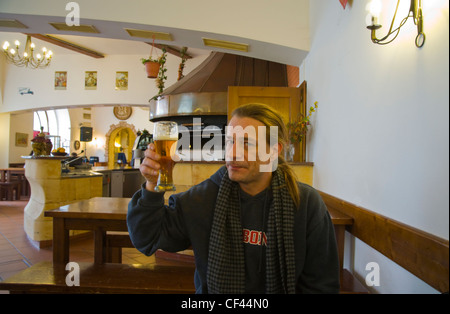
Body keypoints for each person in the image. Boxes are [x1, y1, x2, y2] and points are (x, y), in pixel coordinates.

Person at [127, 103, 340, 294]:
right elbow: (147, 238)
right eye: (229, 142)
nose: (233, 153)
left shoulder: (306, 204)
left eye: (247, 143)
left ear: (274, 150)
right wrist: (152, 186)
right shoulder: (205, 197)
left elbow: (321, 286)